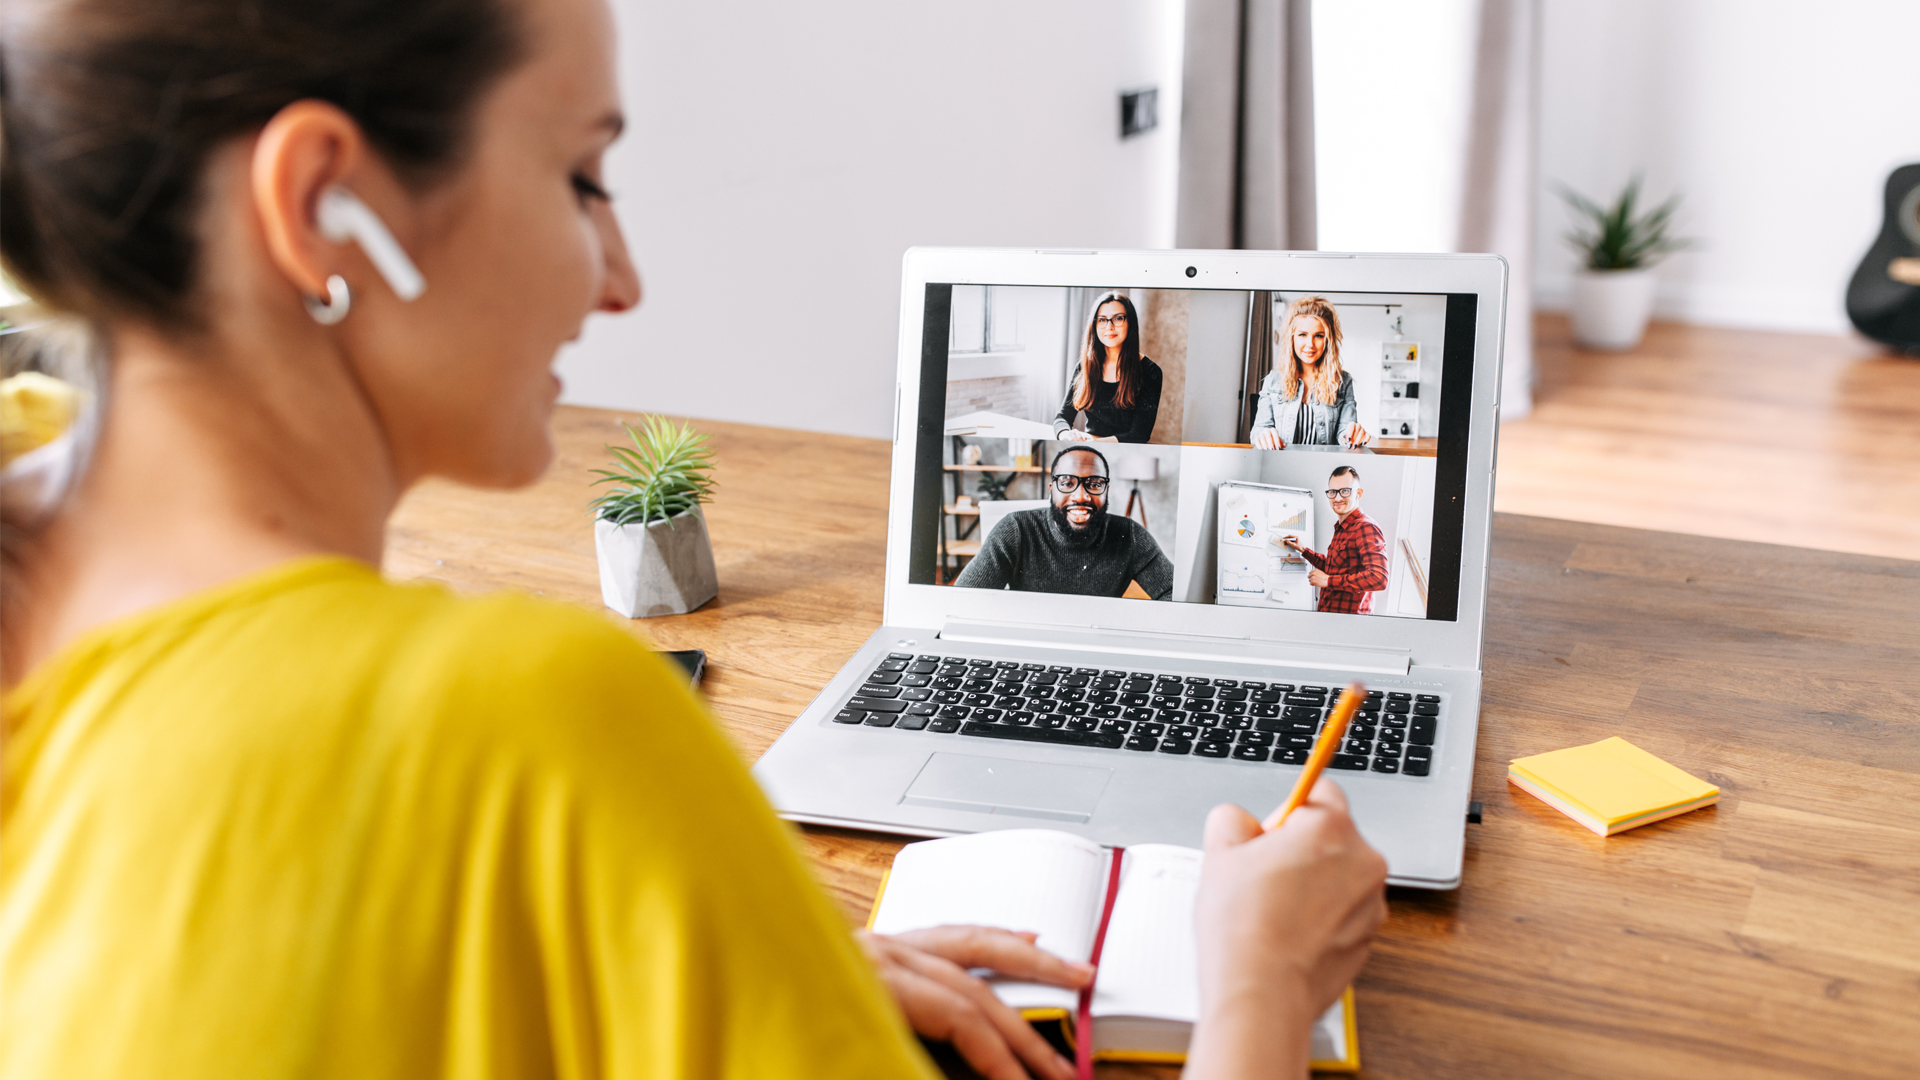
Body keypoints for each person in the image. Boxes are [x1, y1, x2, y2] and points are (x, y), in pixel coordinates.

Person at [0, 1, 1387, 1078]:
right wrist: (1260, 984)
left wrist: (733, 950)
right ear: (321, 206)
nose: (622, 275)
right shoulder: (531, 717)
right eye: (582, 174)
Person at [953, 446, 1172, 599]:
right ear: (1052, 490)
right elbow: (964, 599)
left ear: (1106, 491)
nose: (1081, 496)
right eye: (1067, 483)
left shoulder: (1130, 536)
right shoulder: (1016, 529)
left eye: (1094, 484)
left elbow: (1173, 593)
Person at [1250, 295, 1372, 450]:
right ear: (1292, 338)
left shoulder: (1343, 381)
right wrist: (1263, 435)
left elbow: (1344, 434)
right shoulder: (1273, 380)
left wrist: (1351, 436)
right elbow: (1258, 431)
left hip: (1324, 468)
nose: (1310, 344)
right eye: (1302, 335)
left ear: (1328, 340)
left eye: (1318, 336)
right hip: (1282, 467)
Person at [1052, 292, 1163, 443]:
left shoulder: (1151, 372)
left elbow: (1140, 435)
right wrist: (1066, 434)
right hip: (1090, 446)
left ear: (1130, 323)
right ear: (1095, 325)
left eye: (1118, 318)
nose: (1109, 327)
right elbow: (1062, 417)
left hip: (1124, 452)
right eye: (1102, 320)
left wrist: (1096, 442)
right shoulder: (1085, 365)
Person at [1282, 465, 1389, 614]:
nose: (1337, 498)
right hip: (1329, 617)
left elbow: (1379, 578)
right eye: (1333, 492)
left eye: (1345, 491)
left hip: (1348, 625)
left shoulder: (1365, 527)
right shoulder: (1342, 528)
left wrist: (1328, 581)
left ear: (1358, 493)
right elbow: (1335, 569)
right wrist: (1304, 550)